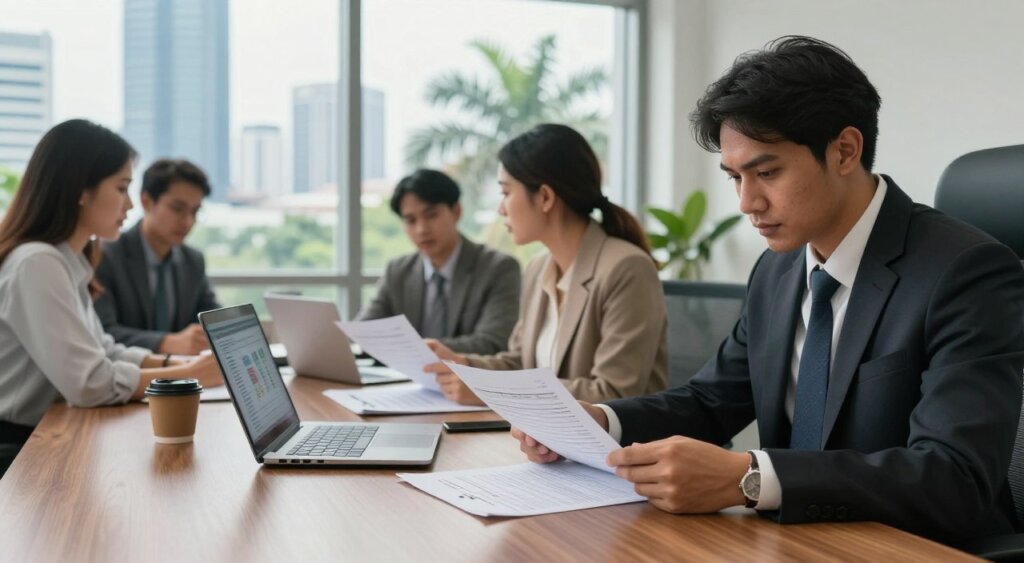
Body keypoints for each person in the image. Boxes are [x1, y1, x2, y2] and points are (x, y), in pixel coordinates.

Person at [513, 37, 1024, 544]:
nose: (746, 202)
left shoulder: (965, 273)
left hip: (914, 548)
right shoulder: (777, 271)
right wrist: (600, 420)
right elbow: (711, 402)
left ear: (845, 150)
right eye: (735, 177)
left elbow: (954, 477)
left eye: (766, 172)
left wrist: (748, 477)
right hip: (795, 542)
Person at [0, 120, 224, 472]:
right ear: (81, 190)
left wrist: (175, 365)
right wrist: (194, 375)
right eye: (122, 188)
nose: (131, 205)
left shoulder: (66, 261)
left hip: (47, 436)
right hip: (16, 451)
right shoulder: (37, 263)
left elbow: (104, 350)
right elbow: (90, 383)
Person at [426, 124, 668, 404]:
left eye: (505, 193)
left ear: (544, 197)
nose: (500, 208)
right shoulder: (538, 268)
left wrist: (492, 390)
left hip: (618, 445)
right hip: (547, 442)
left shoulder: (627, 268)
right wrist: (462, 365)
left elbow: (613, 393)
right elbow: (520, 364)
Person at [359, 169, 520, 355]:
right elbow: (366, 332)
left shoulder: (498, 268)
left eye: (431, 215)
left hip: (467, 380)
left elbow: (493, 342)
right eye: (411, 220)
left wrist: (413, 350)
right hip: (402, 380)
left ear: (456, 211)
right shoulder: (398, 270)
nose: (421, 229)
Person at [94, 159, 220, 355]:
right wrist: (166, 342)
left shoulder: (193, 261)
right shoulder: (107, 255)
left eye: (195, 212)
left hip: (183, 377)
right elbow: (102, 332)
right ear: (146, 202)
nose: (187, 222)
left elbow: (213, 319)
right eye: (177, 208)